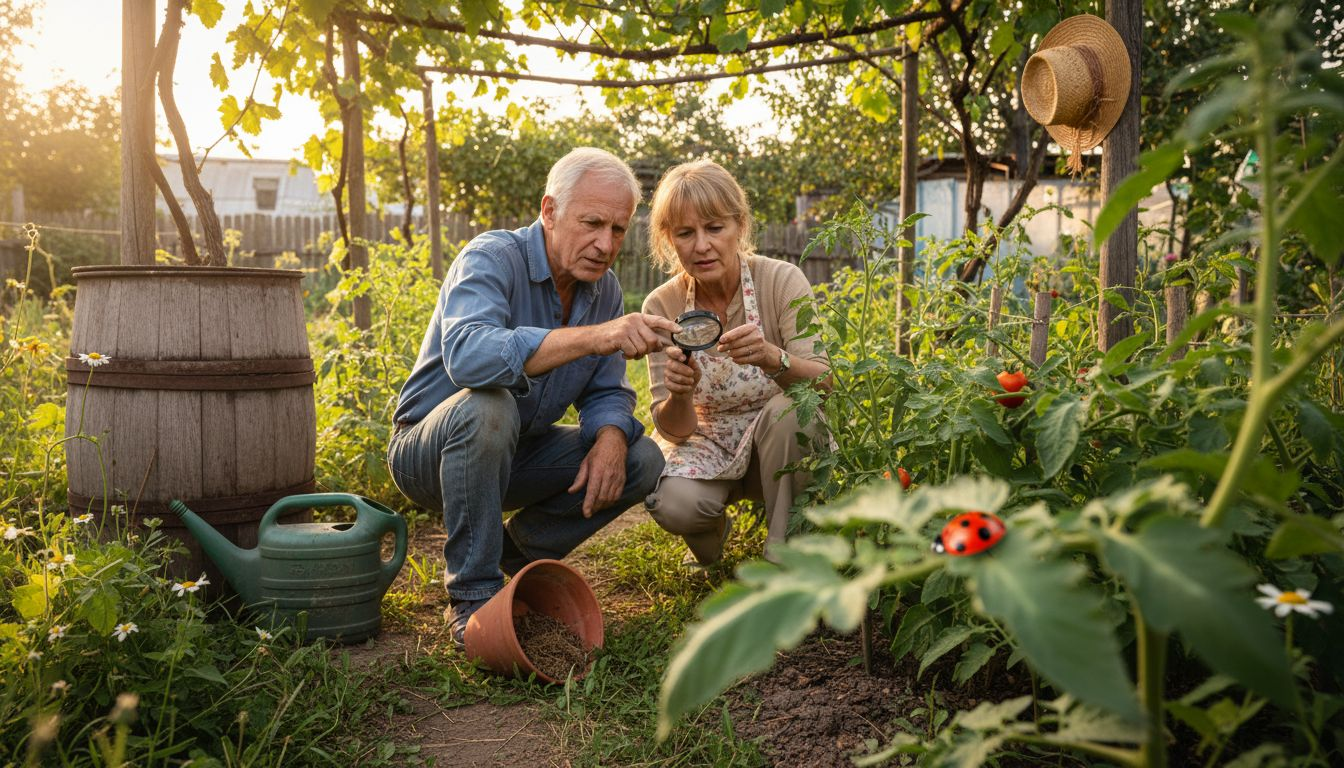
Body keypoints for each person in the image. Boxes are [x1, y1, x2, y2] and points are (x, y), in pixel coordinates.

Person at [387, 148, 678, 648]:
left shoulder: (602, 290)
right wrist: (595, 337)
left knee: (641, 456)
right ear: (549, 211)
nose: (604, 243)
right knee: (488, 405)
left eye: (618, 229)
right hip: (429, 453)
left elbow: (607, 390)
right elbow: (469, 357)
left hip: (515, 451)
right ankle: (475, 601)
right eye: (591, 223)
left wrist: (609, 435)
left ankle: (513, 557)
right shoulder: (492, 257)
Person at [641, 159, 830, 567]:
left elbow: (825, 384)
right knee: (672, 505)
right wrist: (680, 393)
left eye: (714, 227)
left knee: (794, 410)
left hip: (778, 445)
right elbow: (674, 429)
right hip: (709, 442)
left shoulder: (781, 281)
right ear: (668, 240)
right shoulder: (662, 305)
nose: (701, 245)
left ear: (739, 225)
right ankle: (711, 532)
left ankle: (786, 560)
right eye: (685, 233)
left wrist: (772, 358)